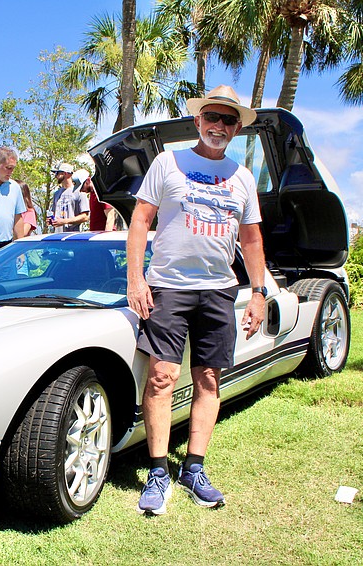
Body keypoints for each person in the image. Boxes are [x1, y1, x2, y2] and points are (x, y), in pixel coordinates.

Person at [126, 85, 268, 515]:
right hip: (168, 286)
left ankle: (194, 468)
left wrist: (258, 292)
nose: (219, 126)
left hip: (218, 290)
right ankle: (157, 472)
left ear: (237, 128)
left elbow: (252, 238)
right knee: (162, 378)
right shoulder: (168, 162)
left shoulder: (242, 177)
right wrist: (136, 279)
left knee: (209, 380)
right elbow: (140, 219)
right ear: (198, 121)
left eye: (229, 120)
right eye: (213, 117)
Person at [47, 162, 89, 232]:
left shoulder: (80, 191)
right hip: (57, 237)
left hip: (73, 237)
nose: (55, 176)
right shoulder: (56, 194)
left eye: (57, 173)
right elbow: (54, 214)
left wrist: (64, 221)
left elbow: (85, 216)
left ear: (65, 173)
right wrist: (51, 220)